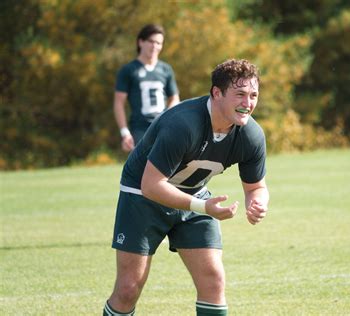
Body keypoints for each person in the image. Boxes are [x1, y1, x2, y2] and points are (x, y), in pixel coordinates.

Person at [103, 59, 269, 316]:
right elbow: (150, 185)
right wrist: (202, 207)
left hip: (195, 196)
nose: (248, 103)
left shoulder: (251, 135)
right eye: (240, 94)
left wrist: (258, 202)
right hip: (142, 196)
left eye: (253, 95)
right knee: (128, 289)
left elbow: (256, 186)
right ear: (217, 93)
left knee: (213, 280)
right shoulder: (183, 124)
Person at [114, 24, 180, 152]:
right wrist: (124, 132)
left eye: (158, 43)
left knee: (170, 167)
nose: (155, 46)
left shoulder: (166, 69)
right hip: (140, 129)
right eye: (151, 41)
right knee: (143, 168)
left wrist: (168, 119)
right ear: (140, 42)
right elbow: (118, 103)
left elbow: (174, 98)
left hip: (163, 127)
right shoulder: (128, 70)